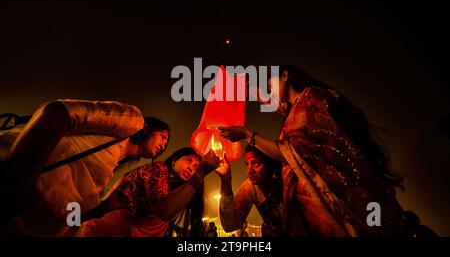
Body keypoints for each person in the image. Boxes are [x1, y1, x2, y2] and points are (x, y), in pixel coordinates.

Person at [219, 64, 407, 236]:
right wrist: (246, 88)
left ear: (285, 76)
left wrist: (246, 135)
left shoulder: (312, 98)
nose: (271, 93)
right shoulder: (299, 109)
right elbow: (283, 110)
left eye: (271, 87)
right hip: (312, 210)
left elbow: (293, 151)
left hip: (330, 199)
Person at [0, 99, 169, 236]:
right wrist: (14, 187)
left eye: (165, 145)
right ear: (148, 128)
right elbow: (58, 111)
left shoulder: (111, 167)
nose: (163, 145)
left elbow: (67, 216)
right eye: (162, 136)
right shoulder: (133, 120)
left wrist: (104, 207)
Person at [79, 147, 220, 237]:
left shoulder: (183, 193)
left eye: (196, 166)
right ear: (174, 162)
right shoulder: (157, 169)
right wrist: (200, 173)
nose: (191, 167)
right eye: (188, 160)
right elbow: (164, 210)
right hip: (108, 227)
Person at [216, 145, 286, 236]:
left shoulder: (287, 179)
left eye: (255, 163)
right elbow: (230, 225)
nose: (250, 170)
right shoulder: (251, 186)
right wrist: (226, 180)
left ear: (269, 164)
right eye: (247, 164)